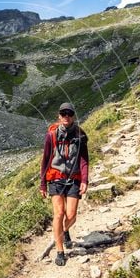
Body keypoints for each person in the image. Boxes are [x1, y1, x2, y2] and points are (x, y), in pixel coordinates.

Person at [40, 102, 89, 266]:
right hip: (55, 177)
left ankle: (65, 230)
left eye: (69, 113)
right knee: (59, 214)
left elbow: (84, 160)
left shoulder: (80, 136)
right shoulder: (51, 136)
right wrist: (43, 184)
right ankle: (60, 251)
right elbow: (45, 160)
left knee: (71, 215)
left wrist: (84, 180)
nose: (66, 116)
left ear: (73, 115)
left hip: (74, 178)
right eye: (63, 114)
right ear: (58, 116)